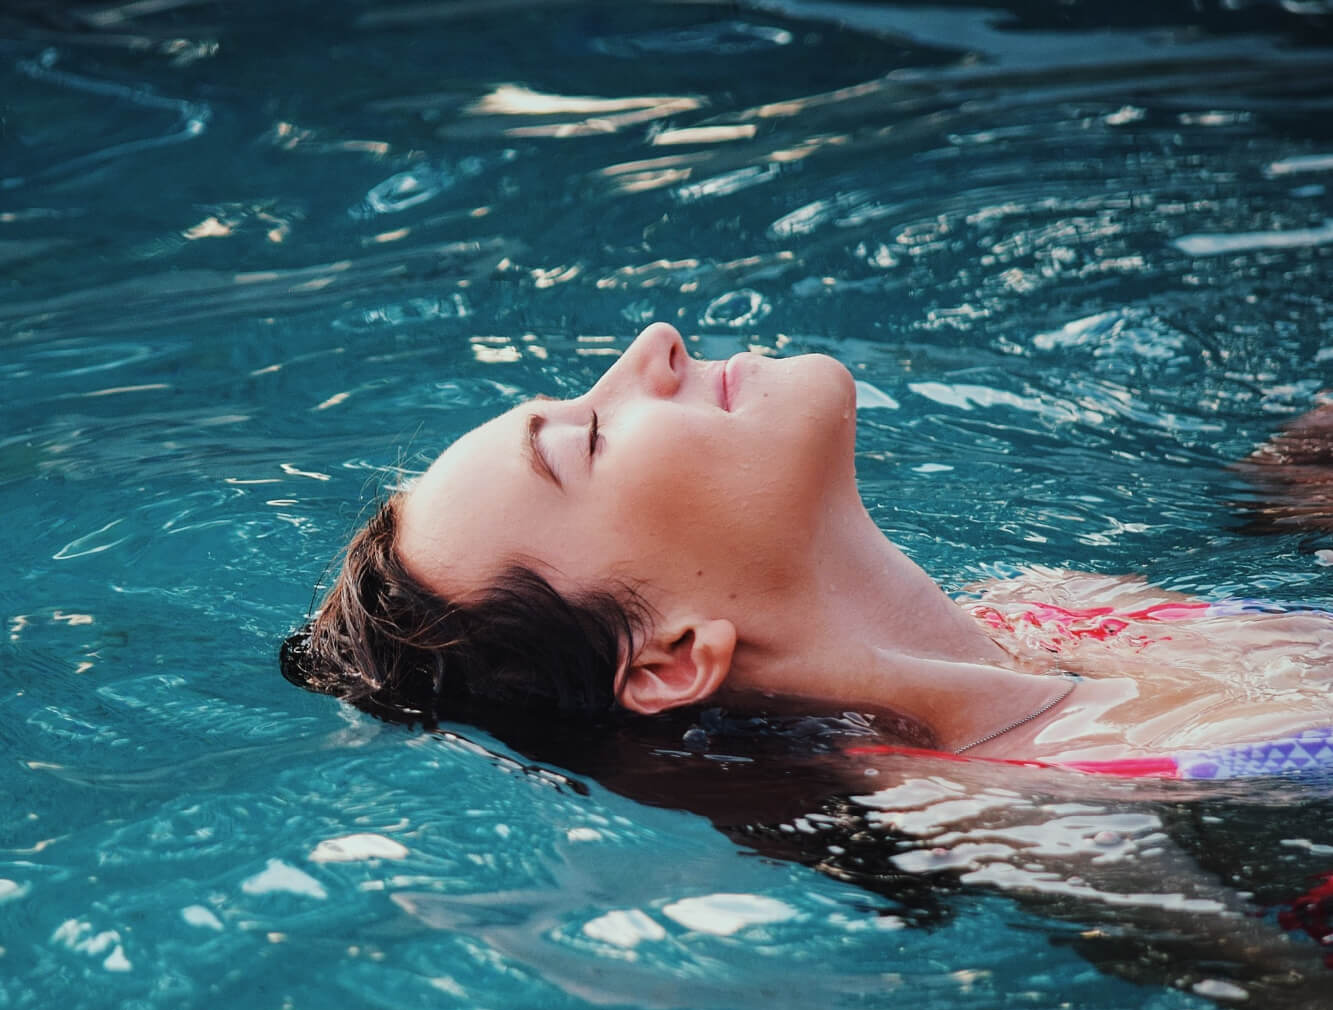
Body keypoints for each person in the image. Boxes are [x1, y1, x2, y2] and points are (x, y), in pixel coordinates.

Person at [282, 322, 1332, 779]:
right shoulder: (1025, 806)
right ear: (667, 659)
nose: (654, 345)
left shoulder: (1050, 607)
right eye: (589, 438)